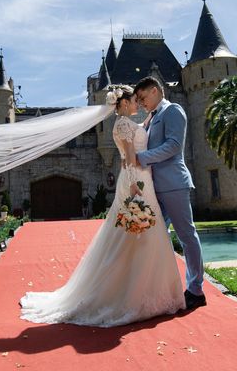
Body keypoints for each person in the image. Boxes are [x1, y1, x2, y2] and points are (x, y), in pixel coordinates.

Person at [19, 85, 185, 327]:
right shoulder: (124, 125)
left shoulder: (125, 124)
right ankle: (137, 293)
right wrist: (133, 187)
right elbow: (128, 158)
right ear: (124, 103)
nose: (139, 103)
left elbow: (127, 152)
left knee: (136, 237)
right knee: (138, 236)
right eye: (134, 101)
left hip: (137, 179)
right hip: (138, 181)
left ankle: (143, 289)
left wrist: (153, 113)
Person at [134, 76, 206, 309]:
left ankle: (196, 290)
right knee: (154, 237)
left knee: (186, 236)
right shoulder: (150, 119)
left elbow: (174, 145)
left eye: (143, 97)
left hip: (174, 184)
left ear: (155, 91)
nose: (142, 103)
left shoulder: (173, 111)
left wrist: (141, 158)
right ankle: (161, 287)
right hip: (155, 189)